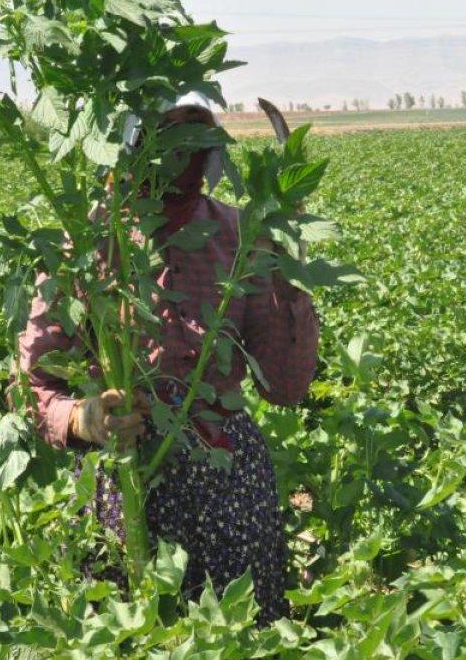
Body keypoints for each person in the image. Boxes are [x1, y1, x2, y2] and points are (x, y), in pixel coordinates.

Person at [17, 93, 319, 621]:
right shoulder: (85, 243)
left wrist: (289, 266)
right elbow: (35, 383)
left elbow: (286, 389)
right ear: (131, 142)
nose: (179, 157)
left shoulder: (242, 234)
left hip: (227, 483)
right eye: (164, 137)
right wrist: (84, 420)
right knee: (130, 629)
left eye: (194, 138)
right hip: (124, 481)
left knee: (237, 631)